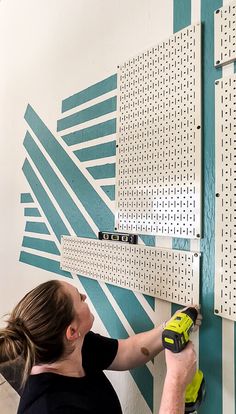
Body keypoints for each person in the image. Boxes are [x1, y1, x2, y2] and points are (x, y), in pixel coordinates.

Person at [0, 279, 201, 414]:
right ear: (72, 332)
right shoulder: (51, 408)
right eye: (79, 298)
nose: (85, 297)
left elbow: (125, 352)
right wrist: (176, 382)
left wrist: (168, 329)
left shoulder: (73, 348)